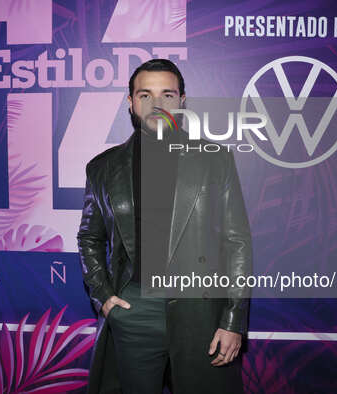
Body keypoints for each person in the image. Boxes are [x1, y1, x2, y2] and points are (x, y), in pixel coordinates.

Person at [77, 58, 252, 394]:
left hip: (201, 308)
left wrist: (232, 320)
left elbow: (237, 242)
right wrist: (104, 295)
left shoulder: (215, 158)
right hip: (135, 310)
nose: (157, 104)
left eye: (167, 95)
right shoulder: (103, 168)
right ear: (130, 102)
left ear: (182, 100)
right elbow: (89, 237)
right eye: (145, 95)